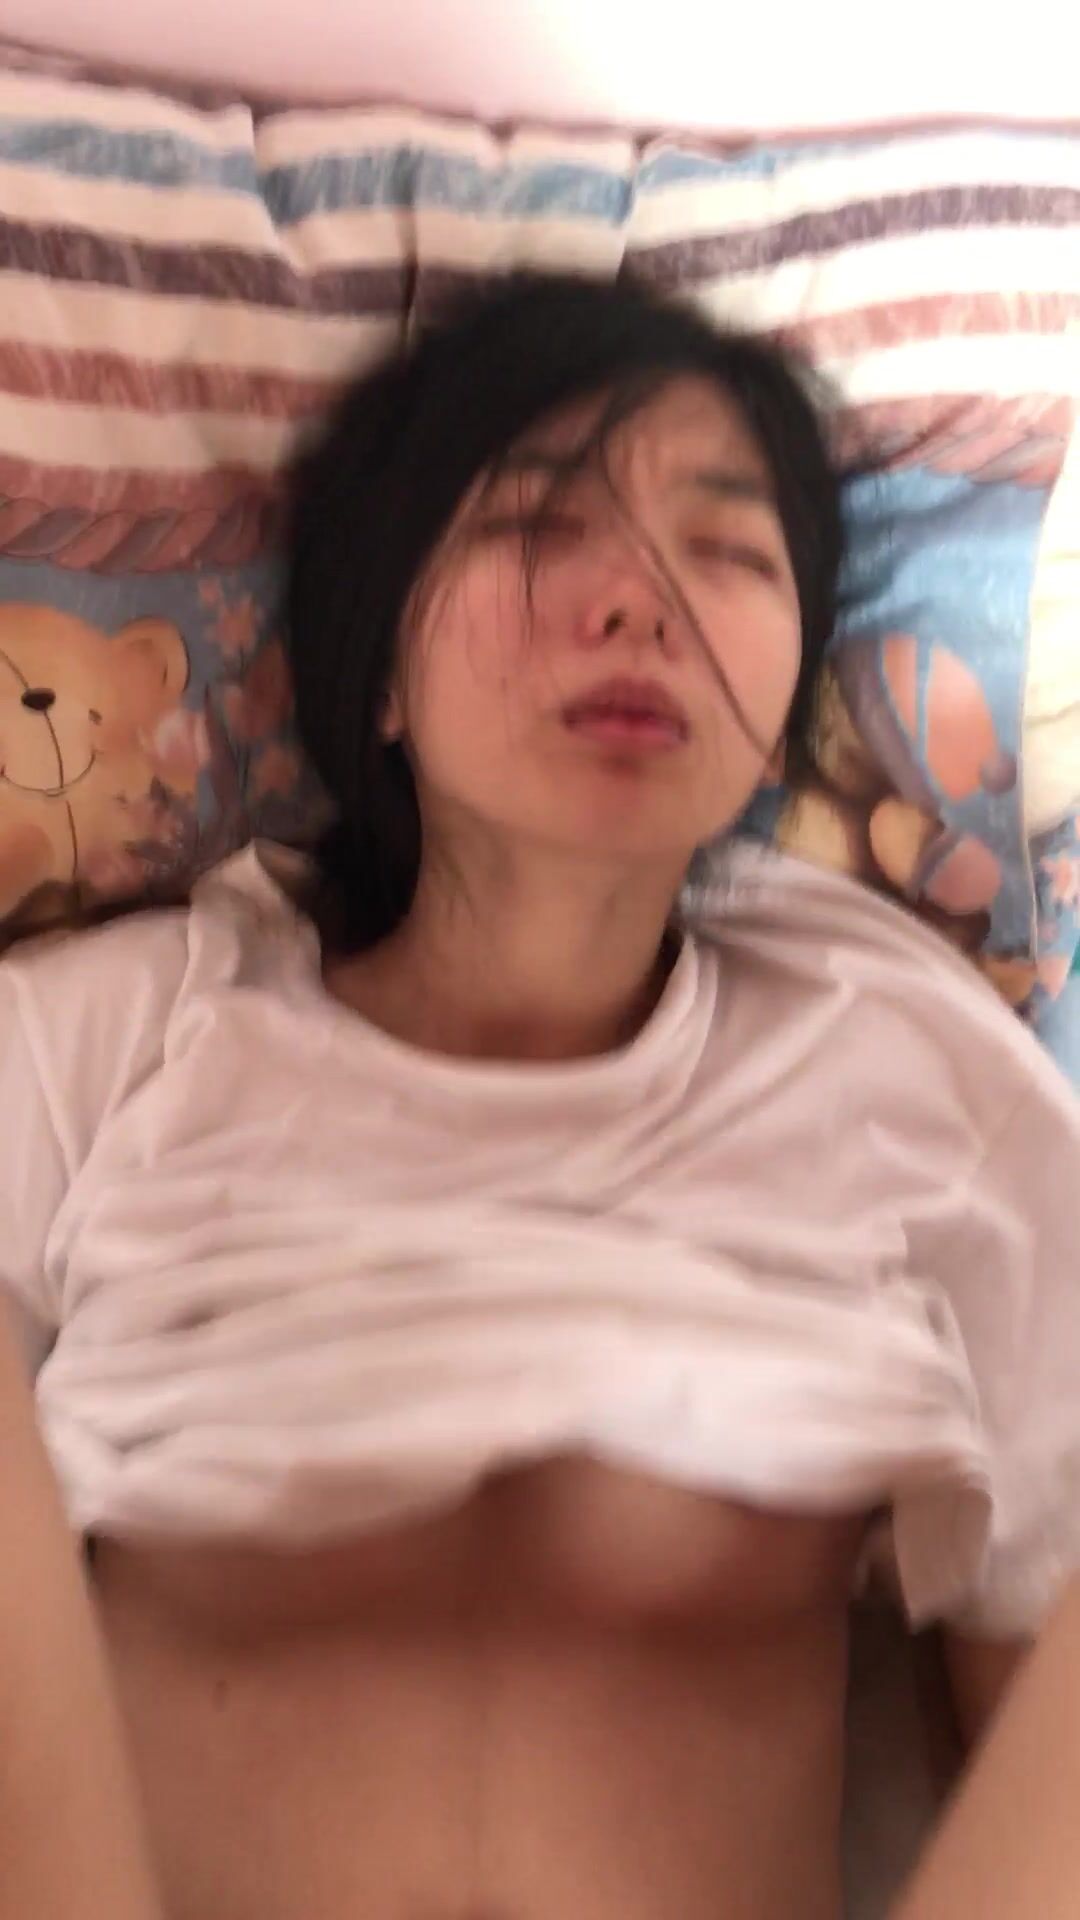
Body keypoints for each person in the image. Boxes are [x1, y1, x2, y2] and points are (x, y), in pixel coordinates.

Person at [1, 271, 1077, 1920]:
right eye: (531, 524)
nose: (639, 603)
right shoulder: (120, 1048)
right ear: (377, 674)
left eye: (726, 550)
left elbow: (1040, 1683)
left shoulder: (912, 1081)